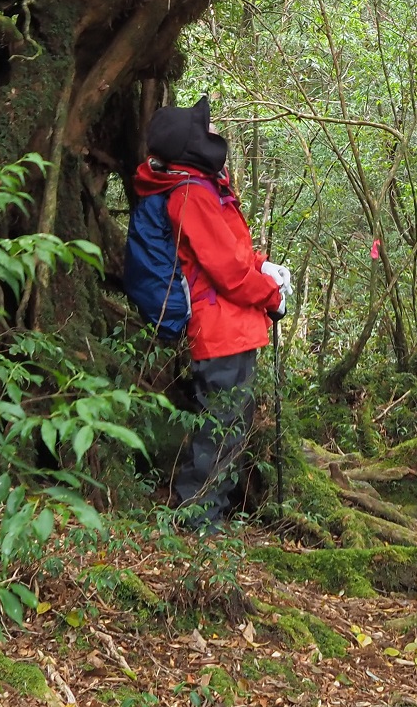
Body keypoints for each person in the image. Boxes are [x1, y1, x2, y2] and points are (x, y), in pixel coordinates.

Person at [133, 94, 292, 533]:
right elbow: (225, 270)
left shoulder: (199, 187)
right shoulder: (190, 195)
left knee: (230, 424)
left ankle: (209, 514)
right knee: (221, 426)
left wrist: (264, 266)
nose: (211, 137)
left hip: (233, 326)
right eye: (201, 132)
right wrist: (270, 295)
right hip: (221, 327)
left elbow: (234, 254)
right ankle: (198, 519)